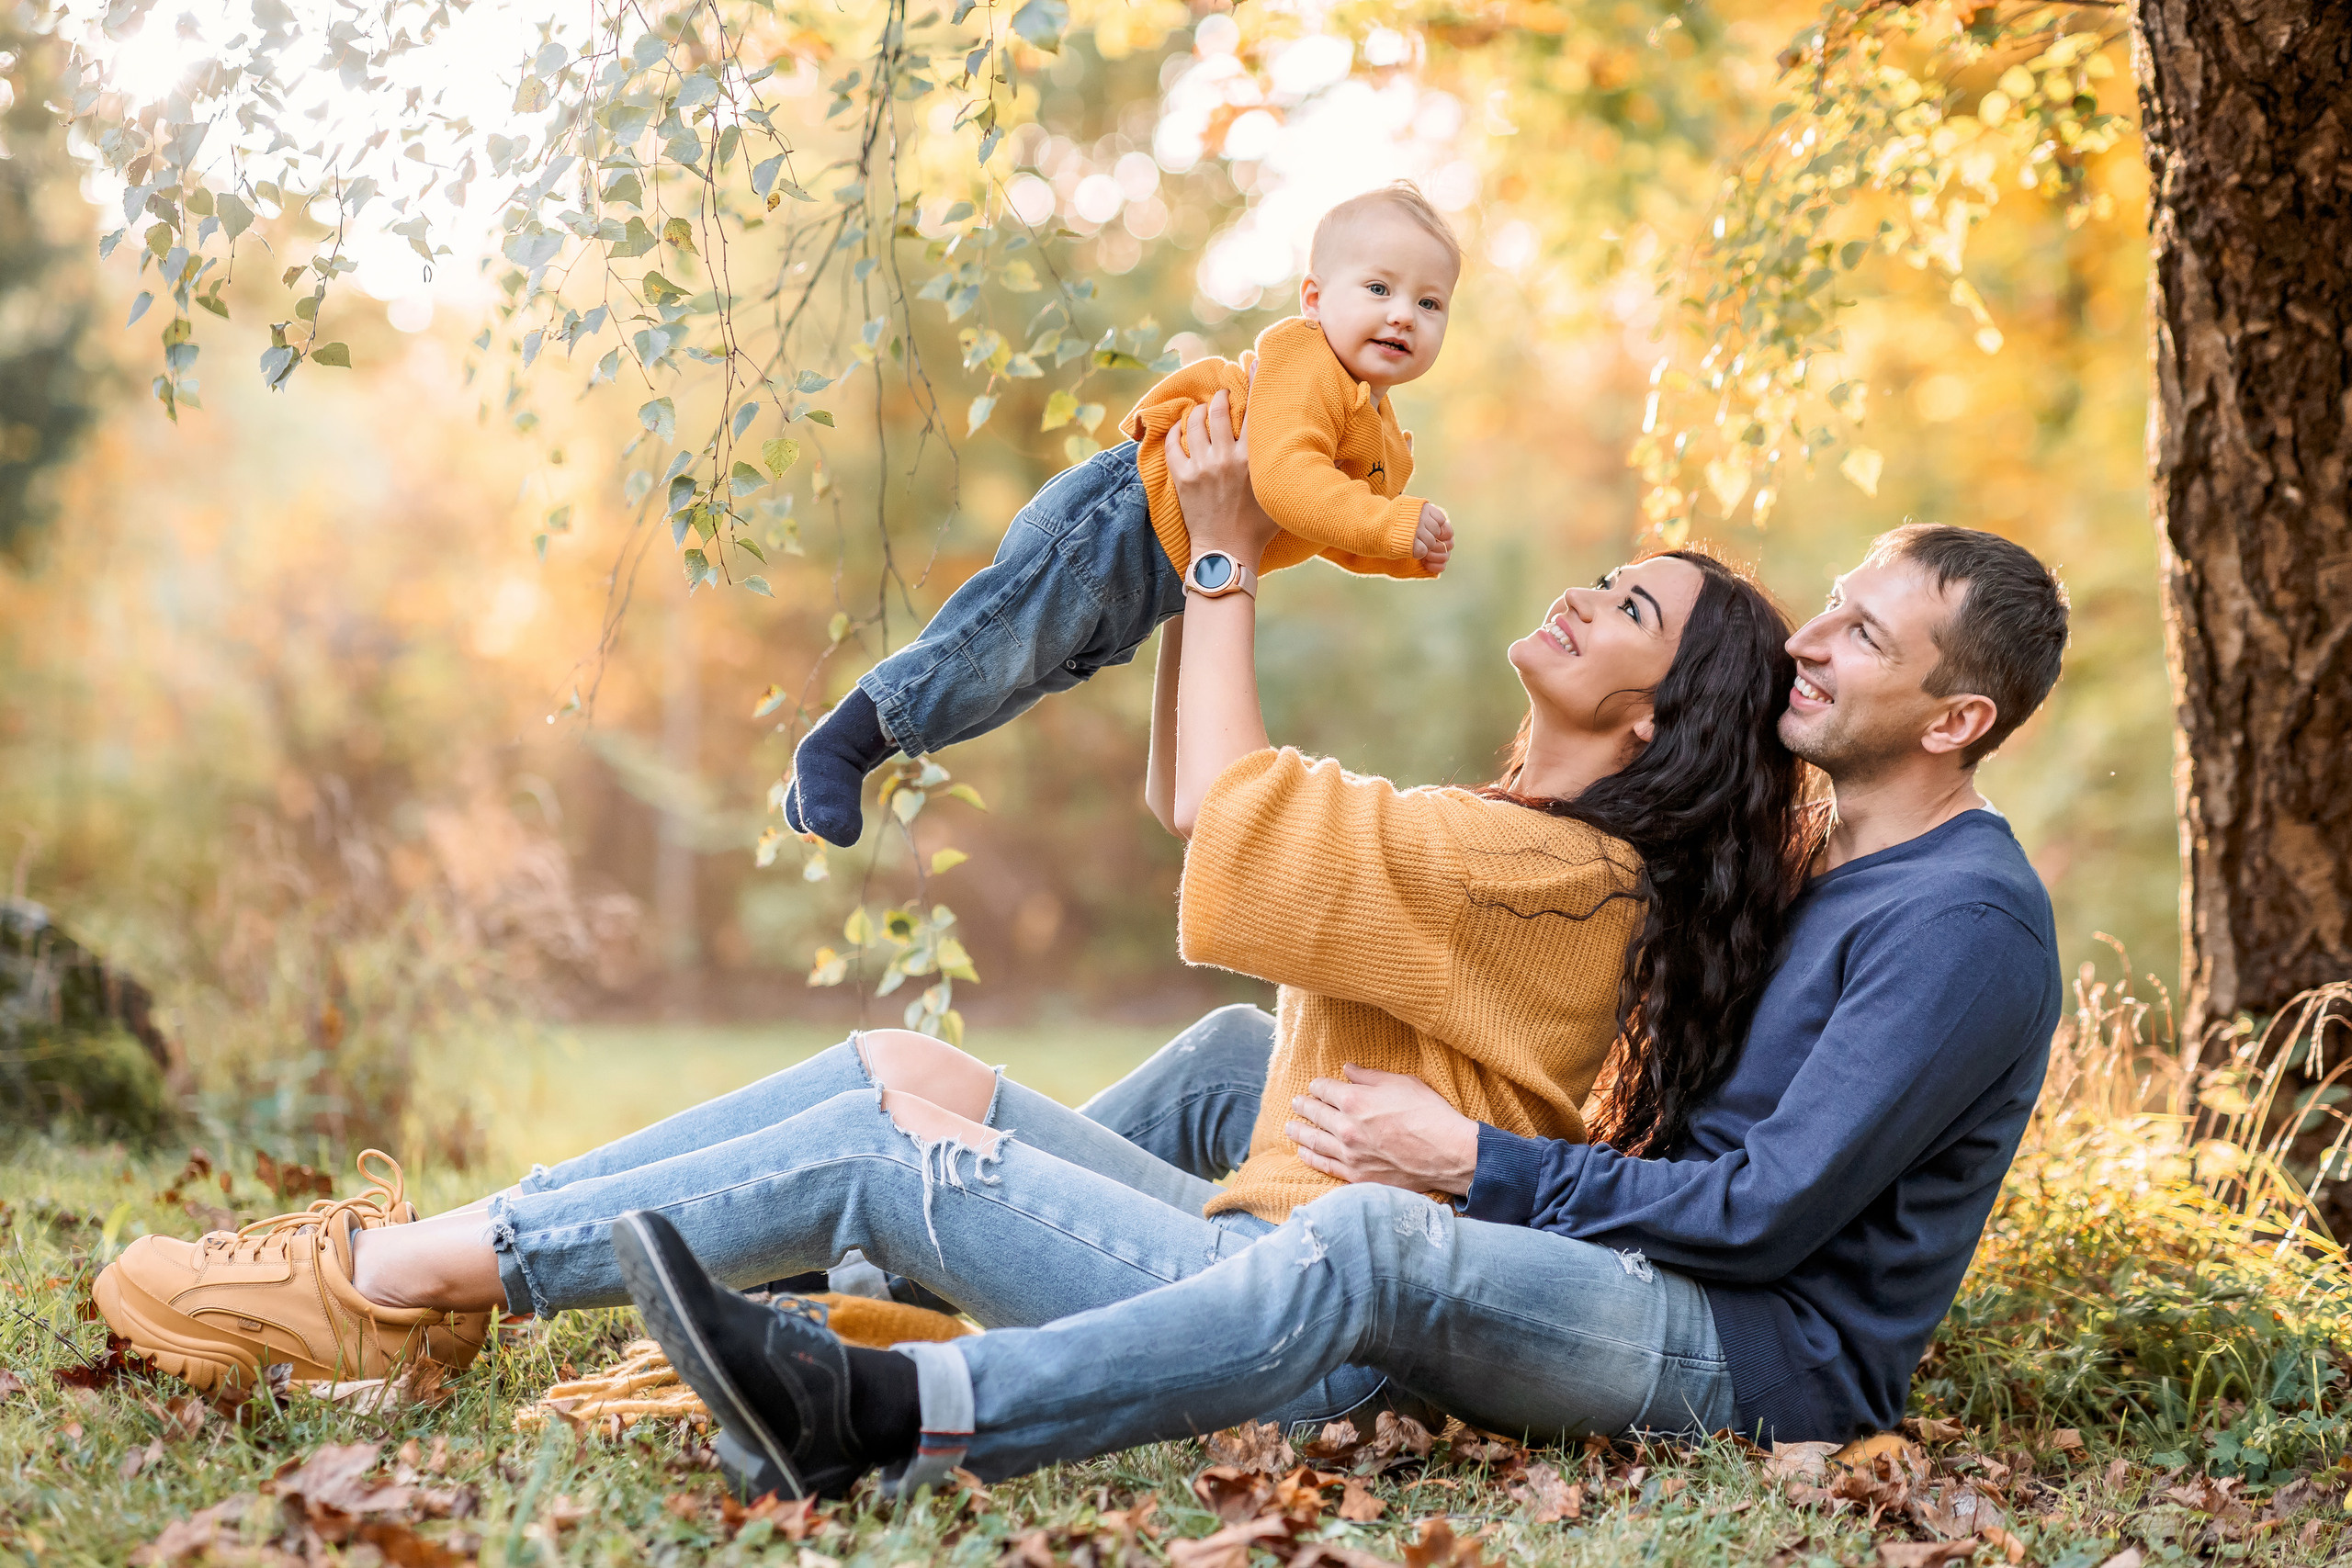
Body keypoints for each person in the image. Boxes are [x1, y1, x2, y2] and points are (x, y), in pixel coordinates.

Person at [89, 397, 1805, 1495]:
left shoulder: (1561, 877)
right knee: (904, 1069)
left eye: (1629, 609)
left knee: (882, 1147)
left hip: (1288, 1333)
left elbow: (1234, 815)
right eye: (1603, 573)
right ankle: (461, 1263)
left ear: (1660, 713)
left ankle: (387, 1289)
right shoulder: (1531, 845)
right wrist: (1181, 570)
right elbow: (1208, 806)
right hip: (1250, 1251)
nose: (1584, 594)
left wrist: (1223, 560)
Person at [611, 413, 2072, 1495]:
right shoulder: (1831, 865)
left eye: (1864, 638)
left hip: (1757, 1352)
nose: (1813, 644)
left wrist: (1472, 1165)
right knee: (1242, 1061)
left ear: (1955, 720)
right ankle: (884, 1286)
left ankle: (891, 1403)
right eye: (1829, 607)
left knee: (1371, 1231)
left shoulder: (1962, 925)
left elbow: (1759, 1217)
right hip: (1642, 1270)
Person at [783, 182, 1463, 847]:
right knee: (990, 647)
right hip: (1119, 519)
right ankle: (838, 748)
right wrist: (1392, 526)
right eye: (1379, 289)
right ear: (1314, 300)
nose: (1403, 313)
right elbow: (1289, 484)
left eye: (1428, 302)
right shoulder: (1305, 362)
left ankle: (858, 758)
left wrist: (1398, 551)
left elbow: (1324, 524)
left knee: (1004, 684)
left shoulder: (1377, 429)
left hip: (1156, 579)